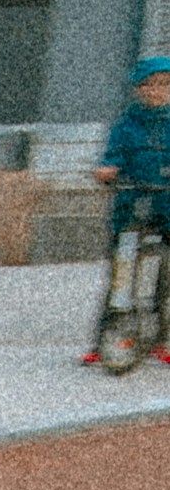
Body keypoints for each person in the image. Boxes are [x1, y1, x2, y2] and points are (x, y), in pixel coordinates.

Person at [83, 60, 170, 365]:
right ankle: (102, 339)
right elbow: (112, 156)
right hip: (131, 204)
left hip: (167, 207)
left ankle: (160, 339)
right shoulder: (126, 125)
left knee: (166, 275)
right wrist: (106, 170)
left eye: (164, 84)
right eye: (148, 85)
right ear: (138, 90)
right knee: (120, 273)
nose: (156, 91)